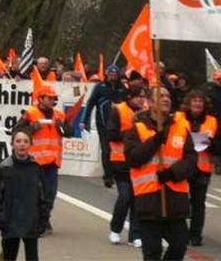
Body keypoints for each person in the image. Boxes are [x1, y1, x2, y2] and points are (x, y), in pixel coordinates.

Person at [124, 87, 196, 260]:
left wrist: (172, 173)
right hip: (148, 199)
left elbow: (191, 158)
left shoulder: (180, 128)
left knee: (179, 245)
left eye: (168, 96)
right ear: (149, 103)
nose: (166, 99)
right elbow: (133, 158)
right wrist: (156, 140)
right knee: (152, 252)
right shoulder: (137, 129)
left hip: (175, 199)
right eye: (160, 96)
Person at [14, 84, 72, 235]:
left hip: (52, 162)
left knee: (49, 194)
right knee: (35, 194)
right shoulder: (30, 114)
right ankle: (37, 222)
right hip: (35, 162)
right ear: (40, 99)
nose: (52, 101)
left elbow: (70, 132)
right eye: (49, 98)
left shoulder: (59, 115)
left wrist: (62, 127)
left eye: (54, 98)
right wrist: (32, 128)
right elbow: (17, 132)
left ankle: (44, 220)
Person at [0, 129, 50, 261]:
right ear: (12, 144)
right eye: (18, 141)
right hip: (10, 222)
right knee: (9, 256)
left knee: (32, 257)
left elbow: (43, 197)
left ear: (30, 144)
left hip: (31, 222)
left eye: (25, 141)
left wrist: (43, 219)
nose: (22, 144)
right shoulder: (5, 167)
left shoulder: (36, 168)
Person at [180, 90, 221, 247]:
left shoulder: (212, 121)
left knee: (198, 204)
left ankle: (195, 235)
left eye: (200, 101)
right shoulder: (179, 118)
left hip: (202, 168)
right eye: (195, 100)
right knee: (181, 202)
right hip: (182, 166)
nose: (198, 104)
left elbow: (220, 146)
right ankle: (181, 233)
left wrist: (209, 143)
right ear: (189, 103)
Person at [105, 85, 147, 247]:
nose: (141, 99)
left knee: (138, 199)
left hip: (139, 161)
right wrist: (132, 132)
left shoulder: (146, 113)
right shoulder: (118, 110)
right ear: (130, 97)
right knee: (125, 197)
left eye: (143, 96)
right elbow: (111, 134)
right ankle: (116, 229)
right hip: (120, 161)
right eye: (138, 96)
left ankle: (135, 234)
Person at [80, 64, 128, 187]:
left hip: (118, 124)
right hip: (103, 123)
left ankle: (117, 173)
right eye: (111, 74)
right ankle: (108, 176)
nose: (113, 76)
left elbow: (127, 105)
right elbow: (90, 103)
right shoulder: (100, 87)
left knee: (117, 150)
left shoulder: (122, 88)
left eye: (115, 74)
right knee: (106, 150)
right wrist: (84, 120)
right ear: (107, 74)